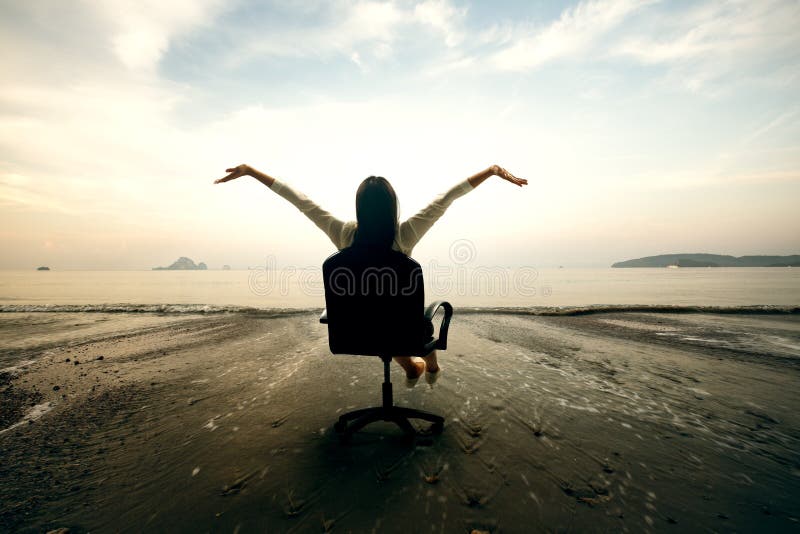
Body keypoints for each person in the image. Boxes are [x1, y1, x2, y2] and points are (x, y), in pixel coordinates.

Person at [214, 164, 527, 385]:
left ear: (359, 208)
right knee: (414, 321)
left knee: (379, 320)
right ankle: (428, 363)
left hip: (354, 333)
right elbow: (446, 198)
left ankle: (414, 369)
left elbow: (301, 202)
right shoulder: (404, 235)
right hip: (402, 332)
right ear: (392, 207)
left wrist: (253, 173)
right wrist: (491, 171)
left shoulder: (342, 233)